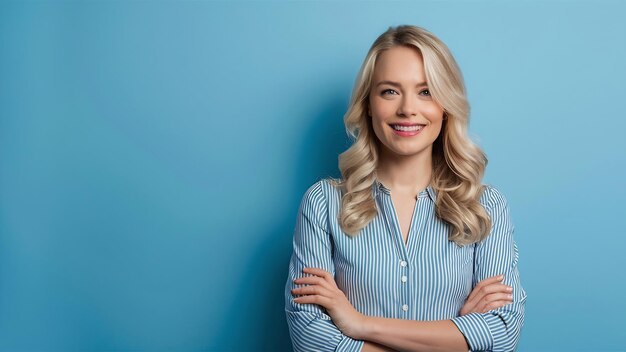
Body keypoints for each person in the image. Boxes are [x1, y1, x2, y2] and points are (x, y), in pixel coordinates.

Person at [284, 24, 526, 352]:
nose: (408, 109)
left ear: (445, 105)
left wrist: (358, 323)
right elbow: (310, 337)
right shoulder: (323, 204)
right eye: (389, 91)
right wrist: (455, 338)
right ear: (368, 104)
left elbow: (502, 332)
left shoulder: (486, 206)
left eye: (425, 91)